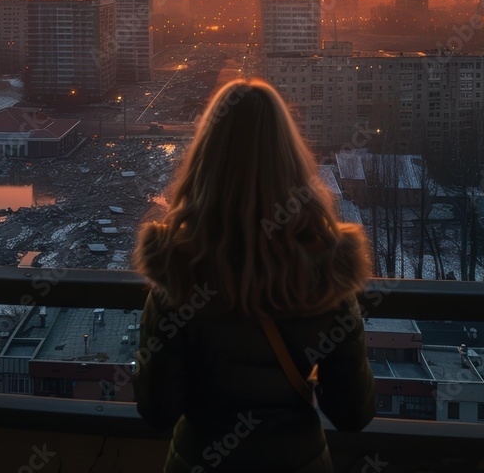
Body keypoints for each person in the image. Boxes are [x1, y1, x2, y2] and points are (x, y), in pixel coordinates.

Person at [133, 79, 375, 472]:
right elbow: (353, 413)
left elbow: (157, 410)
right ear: (292, 161)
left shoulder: (179, 273)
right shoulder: (326, 274)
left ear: (205, 161)